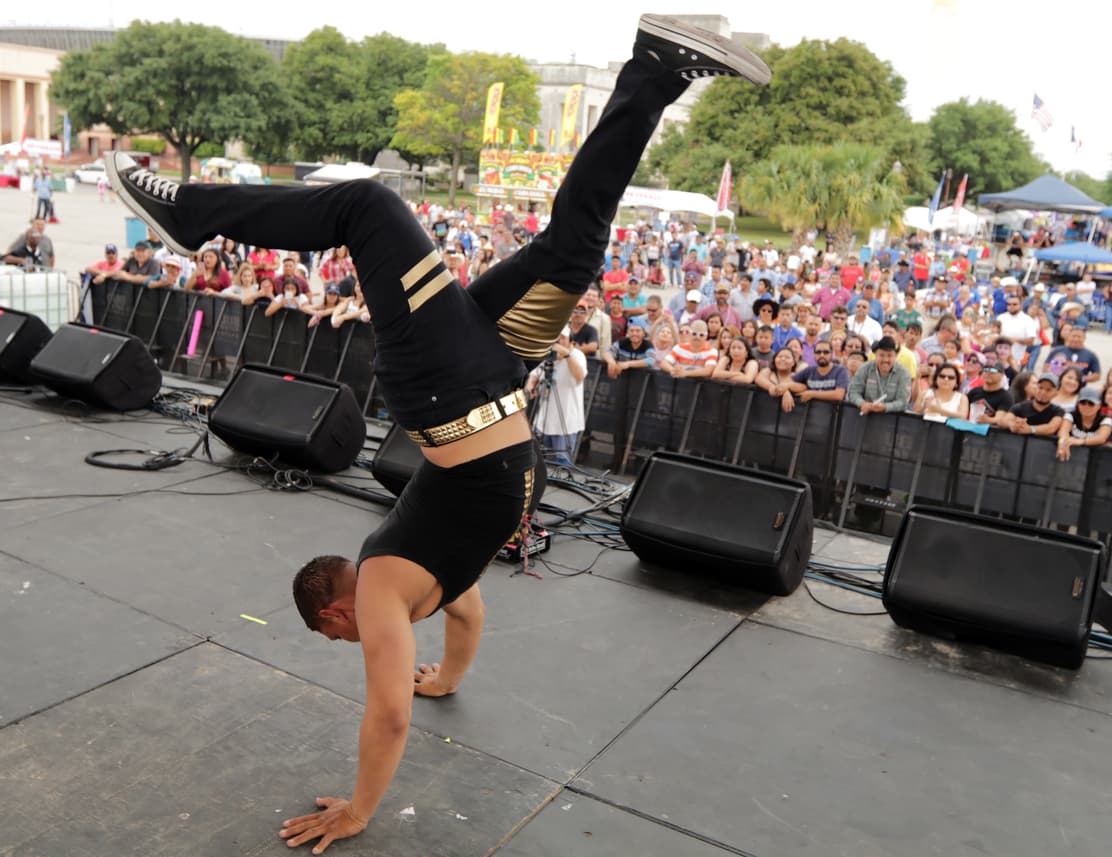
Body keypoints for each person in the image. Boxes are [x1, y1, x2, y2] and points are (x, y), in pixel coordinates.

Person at [106, 17, 770, 854]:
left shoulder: (386, 584)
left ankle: (190, 215)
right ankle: (655, 73)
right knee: (574, 247)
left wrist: (357, 809)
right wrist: (448, 679)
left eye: (341, 636)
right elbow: (468, 621)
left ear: (339, 608)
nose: (360, 646)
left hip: (447, 386)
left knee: (369, 203)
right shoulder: (432, 572)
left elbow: (385, 710)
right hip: (488, 378)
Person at [526, 326, 587, 466]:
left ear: (570, 340)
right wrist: (531, 385)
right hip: (544, 418)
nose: (559, 340)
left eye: (563, 337)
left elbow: (580, 377)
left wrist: (567, 355)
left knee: (562, 463)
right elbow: (535, 373)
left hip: (565, 420)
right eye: (557, 337)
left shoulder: (577, 355)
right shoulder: (549, 354)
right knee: (538, 459)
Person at [847, 336, 913, 415]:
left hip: (891, 419)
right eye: (881, 355)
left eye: (889, 355)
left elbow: (903, 401)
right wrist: (862, 403)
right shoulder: (865, 368)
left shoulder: (903, 373)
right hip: (865, 416)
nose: (885, 359)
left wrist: (885, 407)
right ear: (875, 355)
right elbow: (853, 392)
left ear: (896, 356)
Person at [1055, 387, 1112, 460]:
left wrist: (1080, 441)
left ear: (1099, 406)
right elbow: (1063, 431)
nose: (1086, 406)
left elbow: (1101, 438)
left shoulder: (1106, 419)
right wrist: (1063, 441)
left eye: (1091, 404)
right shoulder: (1071, 415)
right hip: (1071, 456)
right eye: (1083, 403)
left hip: (1095, 459)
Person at [756, 347, 801, 412]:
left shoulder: (796, 375)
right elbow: (759, 379)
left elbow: (803, 386)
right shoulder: (768, 371)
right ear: (774, 360)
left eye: (787, 357)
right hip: (764, 411)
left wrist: (786, 387)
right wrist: (781, 390)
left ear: (793, 362)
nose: (783, 359)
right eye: (779, 356)